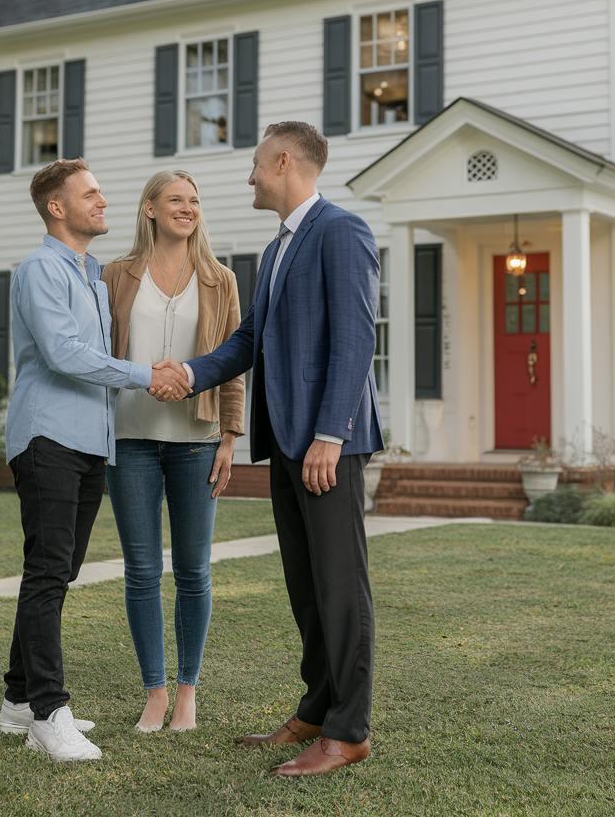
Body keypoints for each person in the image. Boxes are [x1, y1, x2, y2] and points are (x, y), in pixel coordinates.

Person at [158, 121, 383, 777]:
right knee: (306, 585)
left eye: (256, 164)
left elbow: (354, 337)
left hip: (325, 444)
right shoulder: (280, 246)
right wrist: (189, 374)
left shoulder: (341, 231)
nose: (249, 177)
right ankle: (317, 707)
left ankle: (349, 730)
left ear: (284, 161)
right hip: (287, 442)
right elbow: (245, 340)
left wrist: (330, 433)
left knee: (340, 585)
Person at [0, 158, 189, 763]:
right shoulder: (40, 270)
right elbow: (64, 354)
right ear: (58, 207)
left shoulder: (90, 275)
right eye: (91, 194)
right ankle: (50, 713)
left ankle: (16, 701)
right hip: (47, 437)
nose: (103, 201)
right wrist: (143, 375)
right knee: (48, 572)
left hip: (88, 444)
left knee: (57, 570)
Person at [102, 170, 245, 733]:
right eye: (176, 201)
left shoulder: (220, 281)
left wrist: (231, 438)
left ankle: (188, 690)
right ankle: (154, 692)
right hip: (129, 440)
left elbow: (234, 363)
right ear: (150, 210)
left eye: (195, 201)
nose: (188, 209)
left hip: (197, 441)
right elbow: (98, 355)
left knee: (193, 571)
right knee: (141, 571)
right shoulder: (115, 275)